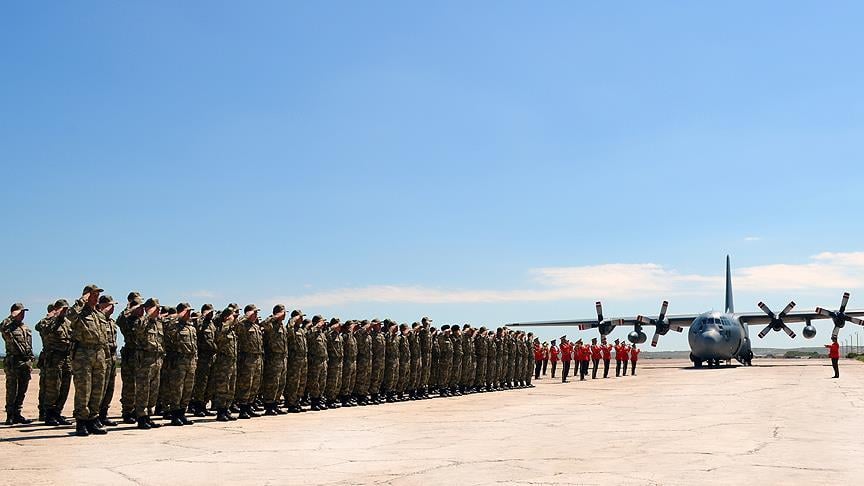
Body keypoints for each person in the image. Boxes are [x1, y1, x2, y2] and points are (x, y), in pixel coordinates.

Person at [68, 284, 110, 436]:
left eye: (97, 295)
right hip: (83, 355)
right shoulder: (79, 313)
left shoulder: (98, 314)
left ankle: (93, 419)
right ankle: (81, 422)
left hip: (99, 354)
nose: (96, 297)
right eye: (93, 295)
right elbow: (69, 316)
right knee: (84, 390)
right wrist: (81, 301)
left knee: (97, 390)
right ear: (86, 296)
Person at [162, 302, 198, 425]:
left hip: (191, 361)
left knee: (188, 389)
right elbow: (166, 328)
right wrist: (177, 316)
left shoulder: (191, 327)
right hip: (178, 362)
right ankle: (175, 414)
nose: (188, 314)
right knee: (177, 389)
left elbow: (195, 346)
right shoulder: (173, 325)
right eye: (186, 311)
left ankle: (182, 413)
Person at [38, 300, 73, 426]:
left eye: (66, 309)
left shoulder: (68, 323)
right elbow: (40, 327)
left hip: (67, 358)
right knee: (53, 388)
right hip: (53, 359)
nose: (65, 311)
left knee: (65, 387)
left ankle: (57, 413)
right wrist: (53, 316)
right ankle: (48, 414)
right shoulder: (48, 322)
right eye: (62, 309)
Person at [2, 303, 34, 425]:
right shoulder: (8, 327)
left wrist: (30, 360)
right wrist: (11, 317)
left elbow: (28, 346)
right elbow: (2, 327)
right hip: (13, 362)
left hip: (25, 362)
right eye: (20, 313)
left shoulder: (25, 328)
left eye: (23, 313)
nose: (22, 315)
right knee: (12, 390)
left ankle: (17, 413)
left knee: (22, 389)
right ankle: (10, 415)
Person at [259, 304, 288, 415]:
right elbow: (264, 323)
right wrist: (275, 316)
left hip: (282, 358)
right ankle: (269, 406)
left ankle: (275, 404)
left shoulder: (282, 326)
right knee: (272, 383)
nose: (284, 315)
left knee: (281, 383)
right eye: (283, 312)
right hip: (273, 358)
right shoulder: (271, 325)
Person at [97, 295, 119, 427]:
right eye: (110, 305)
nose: (113, 307)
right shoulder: (98, 320)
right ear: (102, 306)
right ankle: (96, 415)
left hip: (112, 358)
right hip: (101, 358)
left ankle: (104, 415)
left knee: (109, 388)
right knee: (100, 388)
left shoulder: (111, 321)